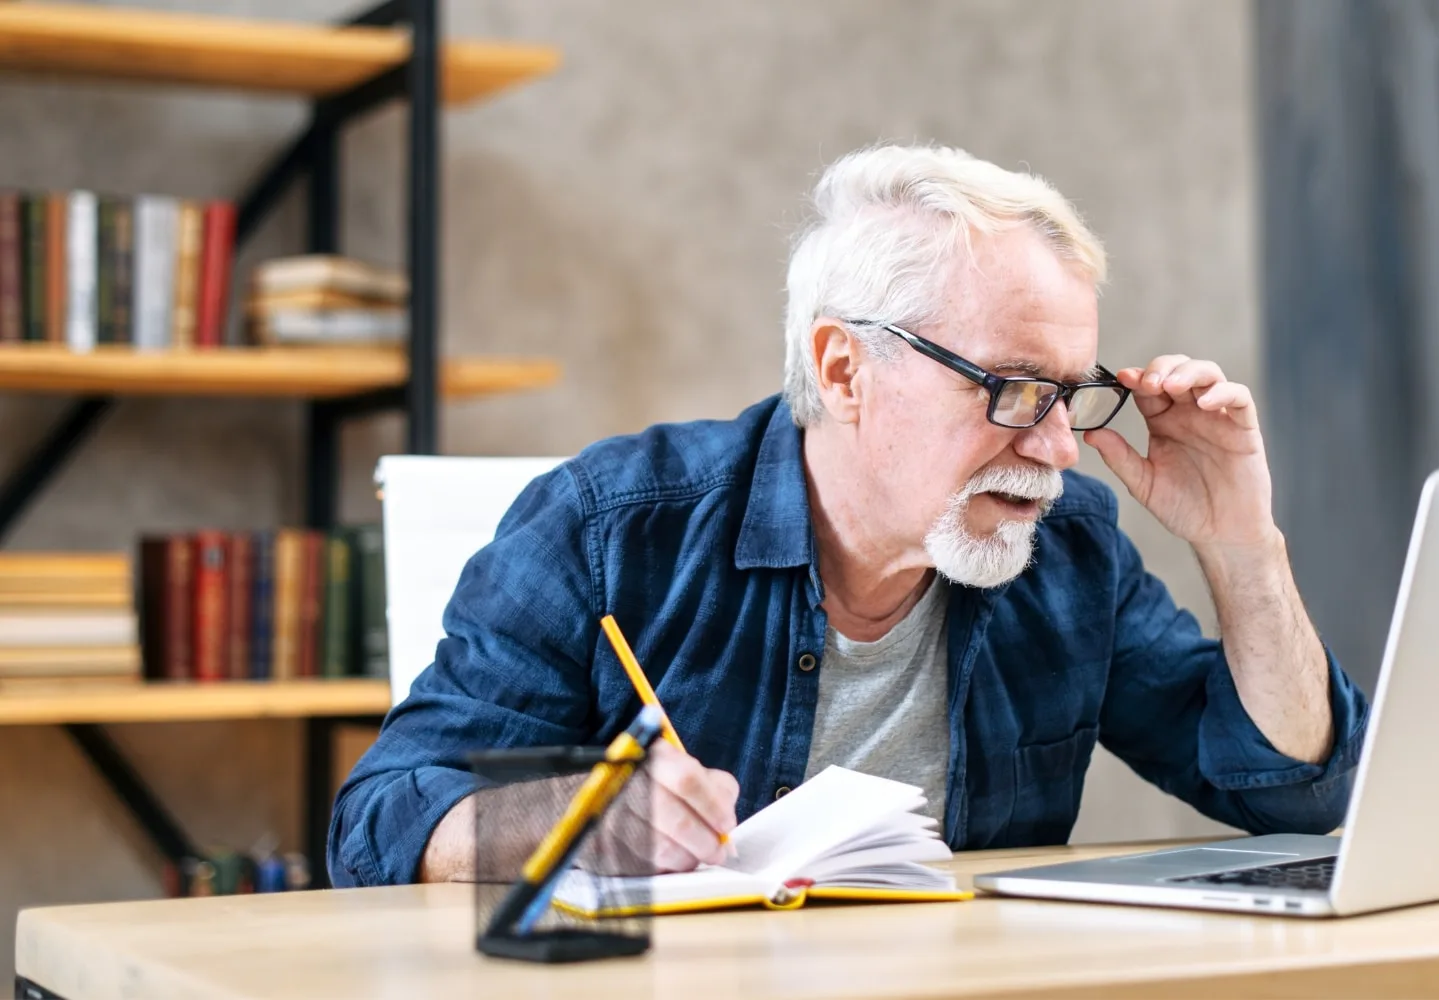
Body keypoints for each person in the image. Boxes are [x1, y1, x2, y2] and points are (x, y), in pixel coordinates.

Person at [328, 143, 1368, 888]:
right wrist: (578, 820)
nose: (1055, 448)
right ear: (844, 368)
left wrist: (1244, 546)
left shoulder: (1067, 549)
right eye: (1010, 388)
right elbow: (379, 822)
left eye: (1069, 394)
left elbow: (1291, 793)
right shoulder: (609, 525)